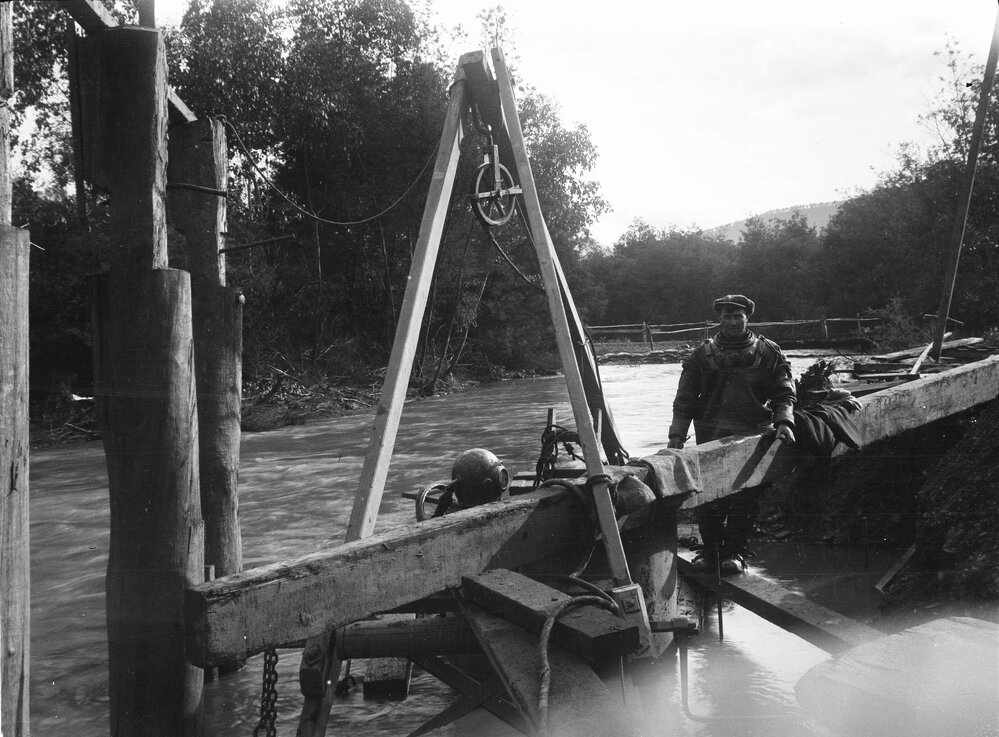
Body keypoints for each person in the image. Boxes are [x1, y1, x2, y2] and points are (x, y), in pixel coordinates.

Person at [667, 294, 796, 574]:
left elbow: (784, 391)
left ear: (747, 318)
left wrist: (784, 421)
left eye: (738, 316)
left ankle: (736, 552)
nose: (733, 322)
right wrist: (677, 436)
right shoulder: (702, 355)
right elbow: (685, 399)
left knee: (746, 495)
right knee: (708, 495)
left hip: (753, 433)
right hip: (710, 433)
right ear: (720, 319)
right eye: (727, 316)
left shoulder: (768, 351)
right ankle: (711, 550)